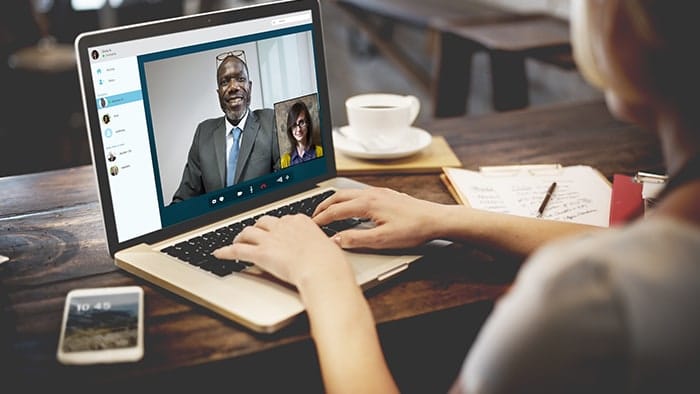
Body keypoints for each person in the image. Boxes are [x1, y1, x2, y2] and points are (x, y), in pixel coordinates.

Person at [214, 0, 700, 392]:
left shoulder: (585, 298)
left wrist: (323, 277)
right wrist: (448, 218)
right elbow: (618, 245)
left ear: (638, 31)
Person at [171, 54, 279, 203]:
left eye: (240, 79)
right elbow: (185, 197)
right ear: (218, 94)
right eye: (225, 82)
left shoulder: (270, 120)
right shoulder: (203, 132)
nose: (233, 87)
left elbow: (289, 179)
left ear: (250, 87)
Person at [280, 101, 323, 168]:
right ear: (290, 129)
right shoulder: (285, 161)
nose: (298, 129)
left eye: (301, 122)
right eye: (294, 125)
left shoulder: (320, 152)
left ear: (308, 124)